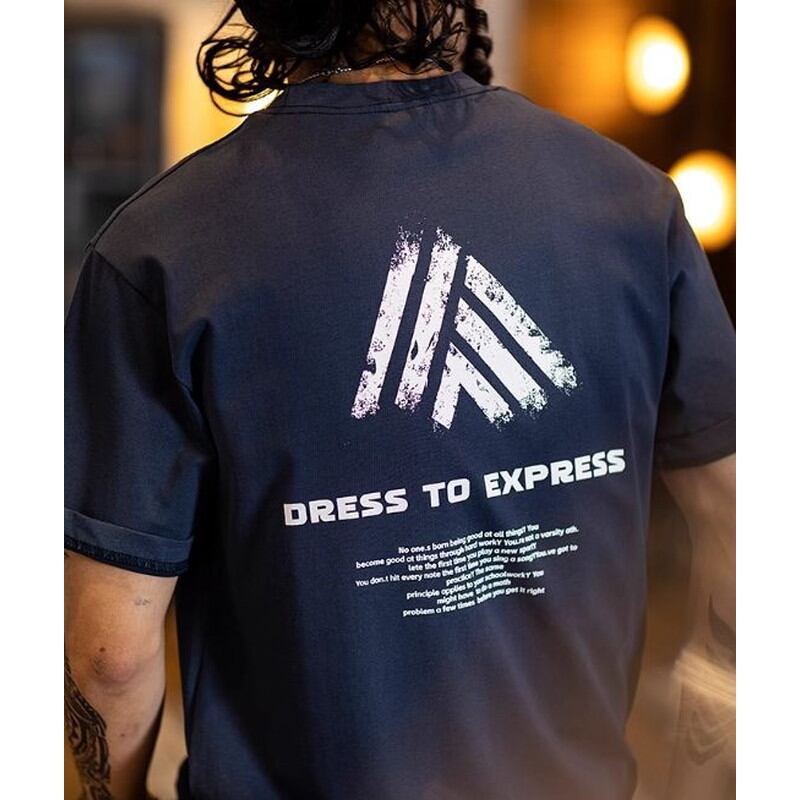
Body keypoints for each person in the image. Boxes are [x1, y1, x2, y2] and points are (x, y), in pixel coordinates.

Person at [64, 2, 736, 798]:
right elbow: (742, 520)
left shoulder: (161, 250)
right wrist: (700, 777)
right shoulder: (633, 203)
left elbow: (111, 655)